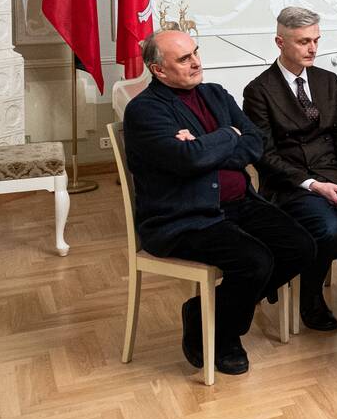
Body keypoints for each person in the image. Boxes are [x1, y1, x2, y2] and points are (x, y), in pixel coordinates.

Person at [123, 30, 315, 375]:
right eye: (184, 59)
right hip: (183, 217)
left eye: (196, 52)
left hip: (239, 203)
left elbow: (255, 144)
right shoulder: (144, 111)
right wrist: (228, 136)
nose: (196, 62)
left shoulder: (215, 94)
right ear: (158, 70)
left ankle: (205, 312)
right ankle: (225, 335)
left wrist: (204, 144)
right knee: (255, 261)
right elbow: (187, 160)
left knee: (301, 246)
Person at [242, 7, 337, 332]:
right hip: (292, 186)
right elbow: (264, 156)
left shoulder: (328, 81)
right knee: (331, 228)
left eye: (316, 40)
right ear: (280, 42)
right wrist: (315, 185)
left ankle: (317, 258)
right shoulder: (258, 90)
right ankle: (310, 296)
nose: (312, 48)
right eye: (303, 42)